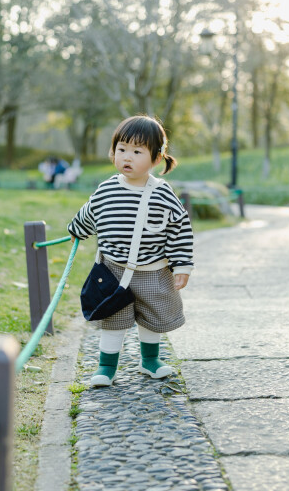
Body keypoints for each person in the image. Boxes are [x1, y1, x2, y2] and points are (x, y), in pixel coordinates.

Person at [68, 115, 194, 387]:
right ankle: (106, 366)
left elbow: (179, 228)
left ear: (156, 158)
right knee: (113, 320)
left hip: (154, 271)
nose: (128, 157)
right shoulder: (106, 190)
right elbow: (89, 214)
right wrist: (76, 229)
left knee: (152, 319)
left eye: (138, 152)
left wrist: (182, 266)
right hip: (113, 270)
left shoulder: (162, 194)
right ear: (112, 152)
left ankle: (150, 361)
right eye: (122, 149)